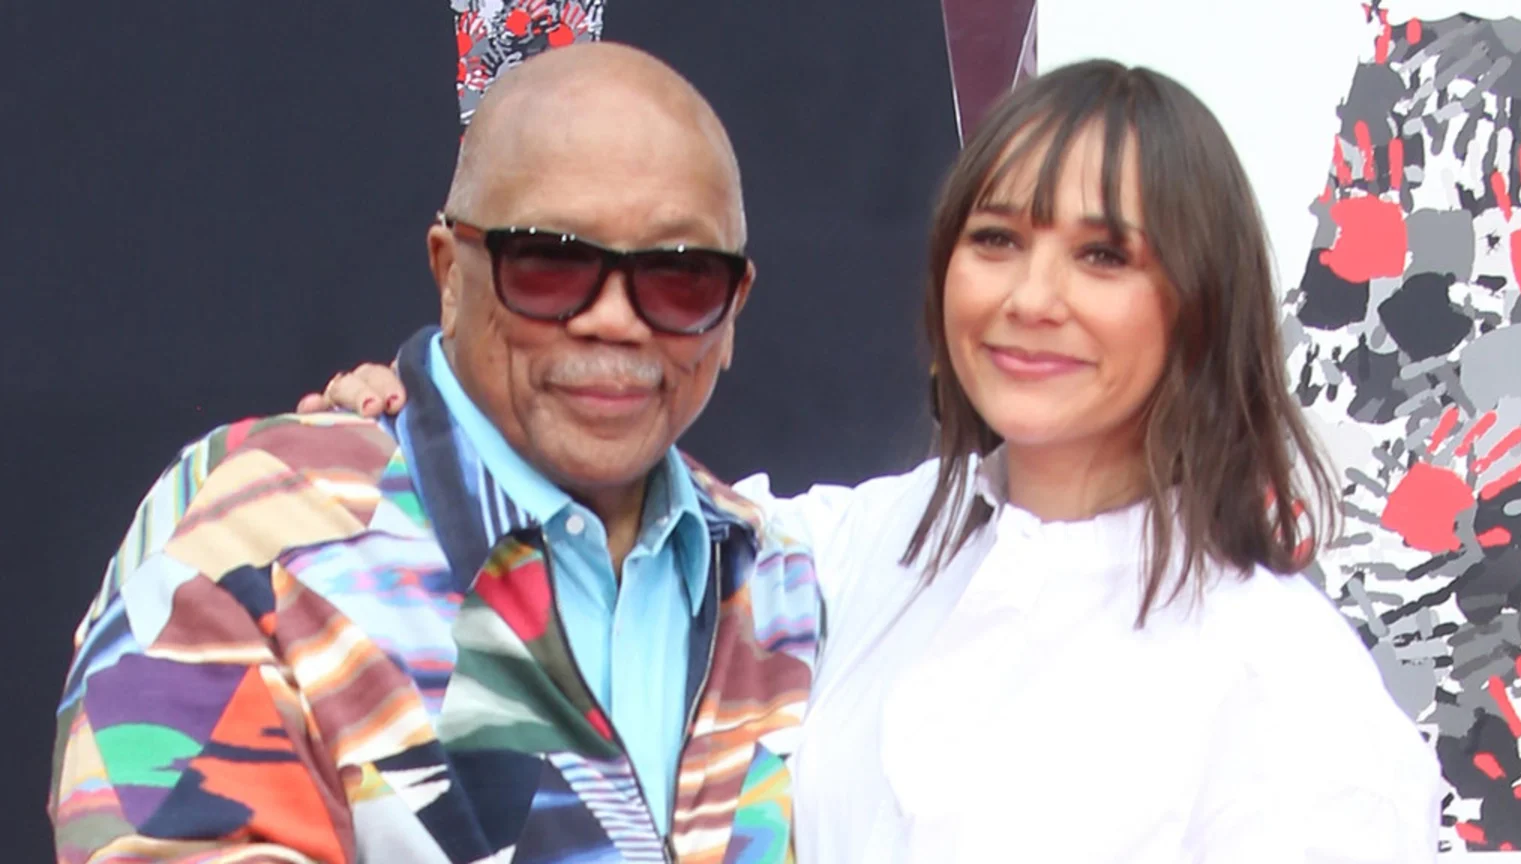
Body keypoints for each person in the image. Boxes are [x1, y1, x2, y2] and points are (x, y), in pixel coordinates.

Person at [310, 59, 1442, 862]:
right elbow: (604, 510)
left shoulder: (1282, 682)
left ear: (1200, 304)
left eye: (1103, 256)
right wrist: (412, 422)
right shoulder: (841, 554)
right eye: (997, 239)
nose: (1031, 300)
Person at [50, 44, 820, 864]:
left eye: (681, 276)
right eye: (552, 263)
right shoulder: (253, 534)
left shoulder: (783, 578)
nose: (615, 319)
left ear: (733, 308)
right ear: (451, 272)